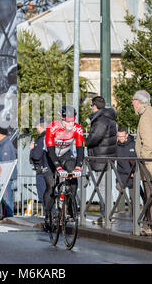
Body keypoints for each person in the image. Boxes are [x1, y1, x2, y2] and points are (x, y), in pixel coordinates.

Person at [43, 105, 85, 231]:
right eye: (67, 121)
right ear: (62, 119)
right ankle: (48, 214)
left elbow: (80, 149)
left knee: (73, 174)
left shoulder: (78, 129)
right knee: (51, 185)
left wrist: (78, 166)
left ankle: (71, 207)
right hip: (50, 156)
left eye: (73, 121)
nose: (70, 124)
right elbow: (50, 150)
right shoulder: (52, 127)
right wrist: (58, 167)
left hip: (66, 154)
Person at [132, 90, 152, 237]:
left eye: (133, 101)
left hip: (149, 165)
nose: (132, 104)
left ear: (138, 102)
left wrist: (141, 160)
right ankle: (150, 225)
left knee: (150, 196)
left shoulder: (146, 117)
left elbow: (149, 145)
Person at [85, 96, 117, 225]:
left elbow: (95, 137)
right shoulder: (108, 119)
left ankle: (107, 215)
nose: (91, 108)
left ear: (95, 106)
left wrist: (84, 142)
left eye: (92, 105)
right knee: (103, 187)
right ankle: (106, 215)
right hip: (105, 157)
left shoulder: (101, 121)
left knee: (102, 188)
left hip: (100, 158)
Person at [116, 126, 145, 211]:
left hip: (132, 175)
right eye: (118, 136)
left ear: (126, 135)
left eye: (122, 136)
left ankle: (134, 214)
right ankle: (120, 214)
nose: (120, 138)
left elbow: (138, 159)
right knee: (120, 191)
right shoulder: (115, 146)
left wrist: (135, 171)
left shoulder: (134, 144)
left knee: (134, 197)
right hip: (121, 175)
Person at [0, 127, 17, 218]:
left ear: (0, 134)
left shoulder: (6, 145)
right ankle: (6, 216)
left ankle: (8, 217)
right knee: (6, 198)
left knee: (6, 199)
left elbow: (5, 163)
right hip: (5, 176)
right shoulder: (4, 144)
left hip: (6, 177)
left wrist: (2, 175)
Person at [29, 118, 47, 211]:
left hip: (41, 170)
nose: (36, 129)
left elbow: (37, 156)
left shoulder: (41, 139)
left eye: (37, 126)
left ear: (40, 126)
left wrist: (32, 149)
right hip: (49, 169)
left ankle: (49, 217)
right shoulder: (49, 136)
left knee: (43, 195)